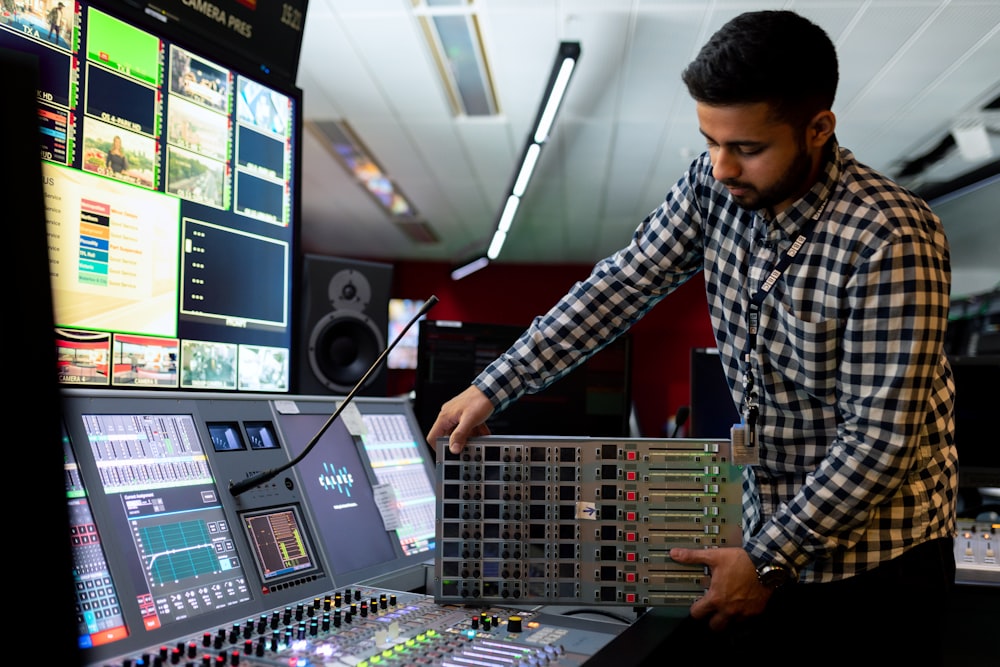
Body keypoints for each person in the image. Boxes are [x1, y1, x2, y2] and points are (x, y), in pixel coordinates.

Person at [426, 10, 958, 665]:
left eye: (748, 148)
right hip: (772, 536)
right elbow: (623, 284)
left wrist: (762, 560)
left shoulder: (892, 237)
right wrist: (495, 382)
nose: (721, 165)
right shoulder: (714, 186)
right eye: (709, 140)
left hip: (880, 566)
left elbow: (880, 442)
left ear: (818, 129)